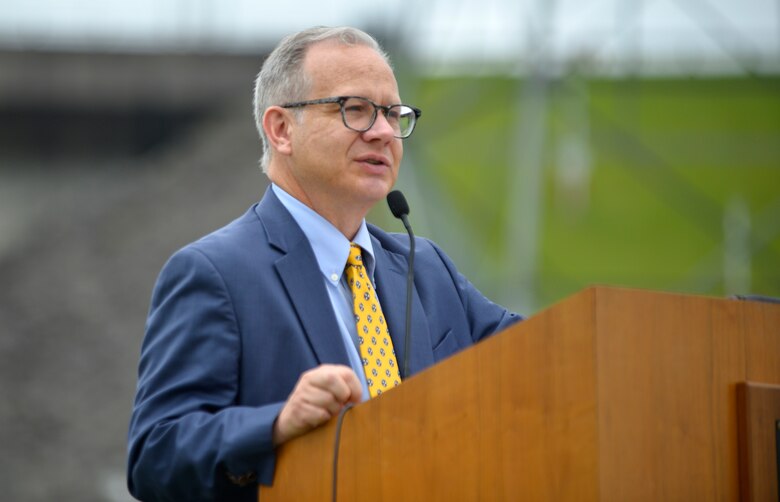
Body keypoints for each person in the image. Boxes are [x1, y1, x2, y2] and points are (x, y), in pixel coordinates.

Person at [127, 26, 521, 501]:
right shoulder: (214, 274)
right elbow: (156, 455)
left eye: (393, 114)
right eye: (355, 110)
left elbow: (542, 358)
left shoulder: (427, 268)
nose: (382, 132)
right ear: (281, 129)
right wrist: (275, 425)